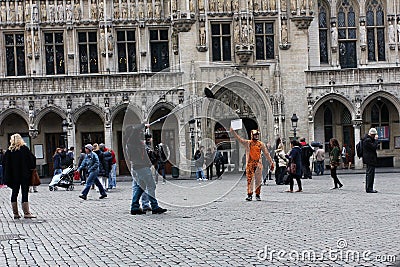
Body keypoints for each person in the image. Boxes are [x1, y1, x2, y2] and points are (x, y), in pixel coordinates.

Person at [125, 123, 167, 215]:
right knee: (151, 185)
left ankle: (134, 207)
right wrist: (144, 125)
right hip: (141, 167)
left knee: (141, 186)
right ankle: (154, 207)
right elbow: (135, 130)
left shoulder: (131, 142)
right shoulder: (132, 141)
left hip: (139, 166)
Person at [230, 128, 274, 201]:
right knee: (250, 180)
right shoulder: (248, 143)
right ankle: (249, 194)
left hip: (258, 164)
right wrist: (233, 132)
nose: (256, 136)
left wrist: (271, 162)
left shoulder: (260, 144)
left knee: (258, 180)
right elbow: (239, 139)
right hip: (250, 164)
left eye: (257, 135)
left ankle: (257, 194)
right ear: (252, 135)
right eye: (255, 135)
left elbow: (266, 153)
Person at [3, 133, 37, 219]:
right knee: (25, 193)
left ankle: (15, 213)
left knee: (14, 193)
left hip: (13, 176)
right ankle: (26, 212)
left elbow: (4, 165)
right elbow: (32, 160)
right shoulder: (24, 149)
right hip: (24, 175)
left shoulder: (8, 152)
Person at [362, 128, 379, 193]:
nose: (375, 136)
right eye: (374, 135)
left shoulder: (367, 139)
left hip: (369, 159)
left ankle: (369, 188)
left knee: (369, 174)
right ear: (372, 134)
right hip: (370, 159)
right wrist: (376, 140)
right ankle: (369, 188)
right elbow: (374, 147)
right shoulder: (368, 140)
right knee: (370, 174)